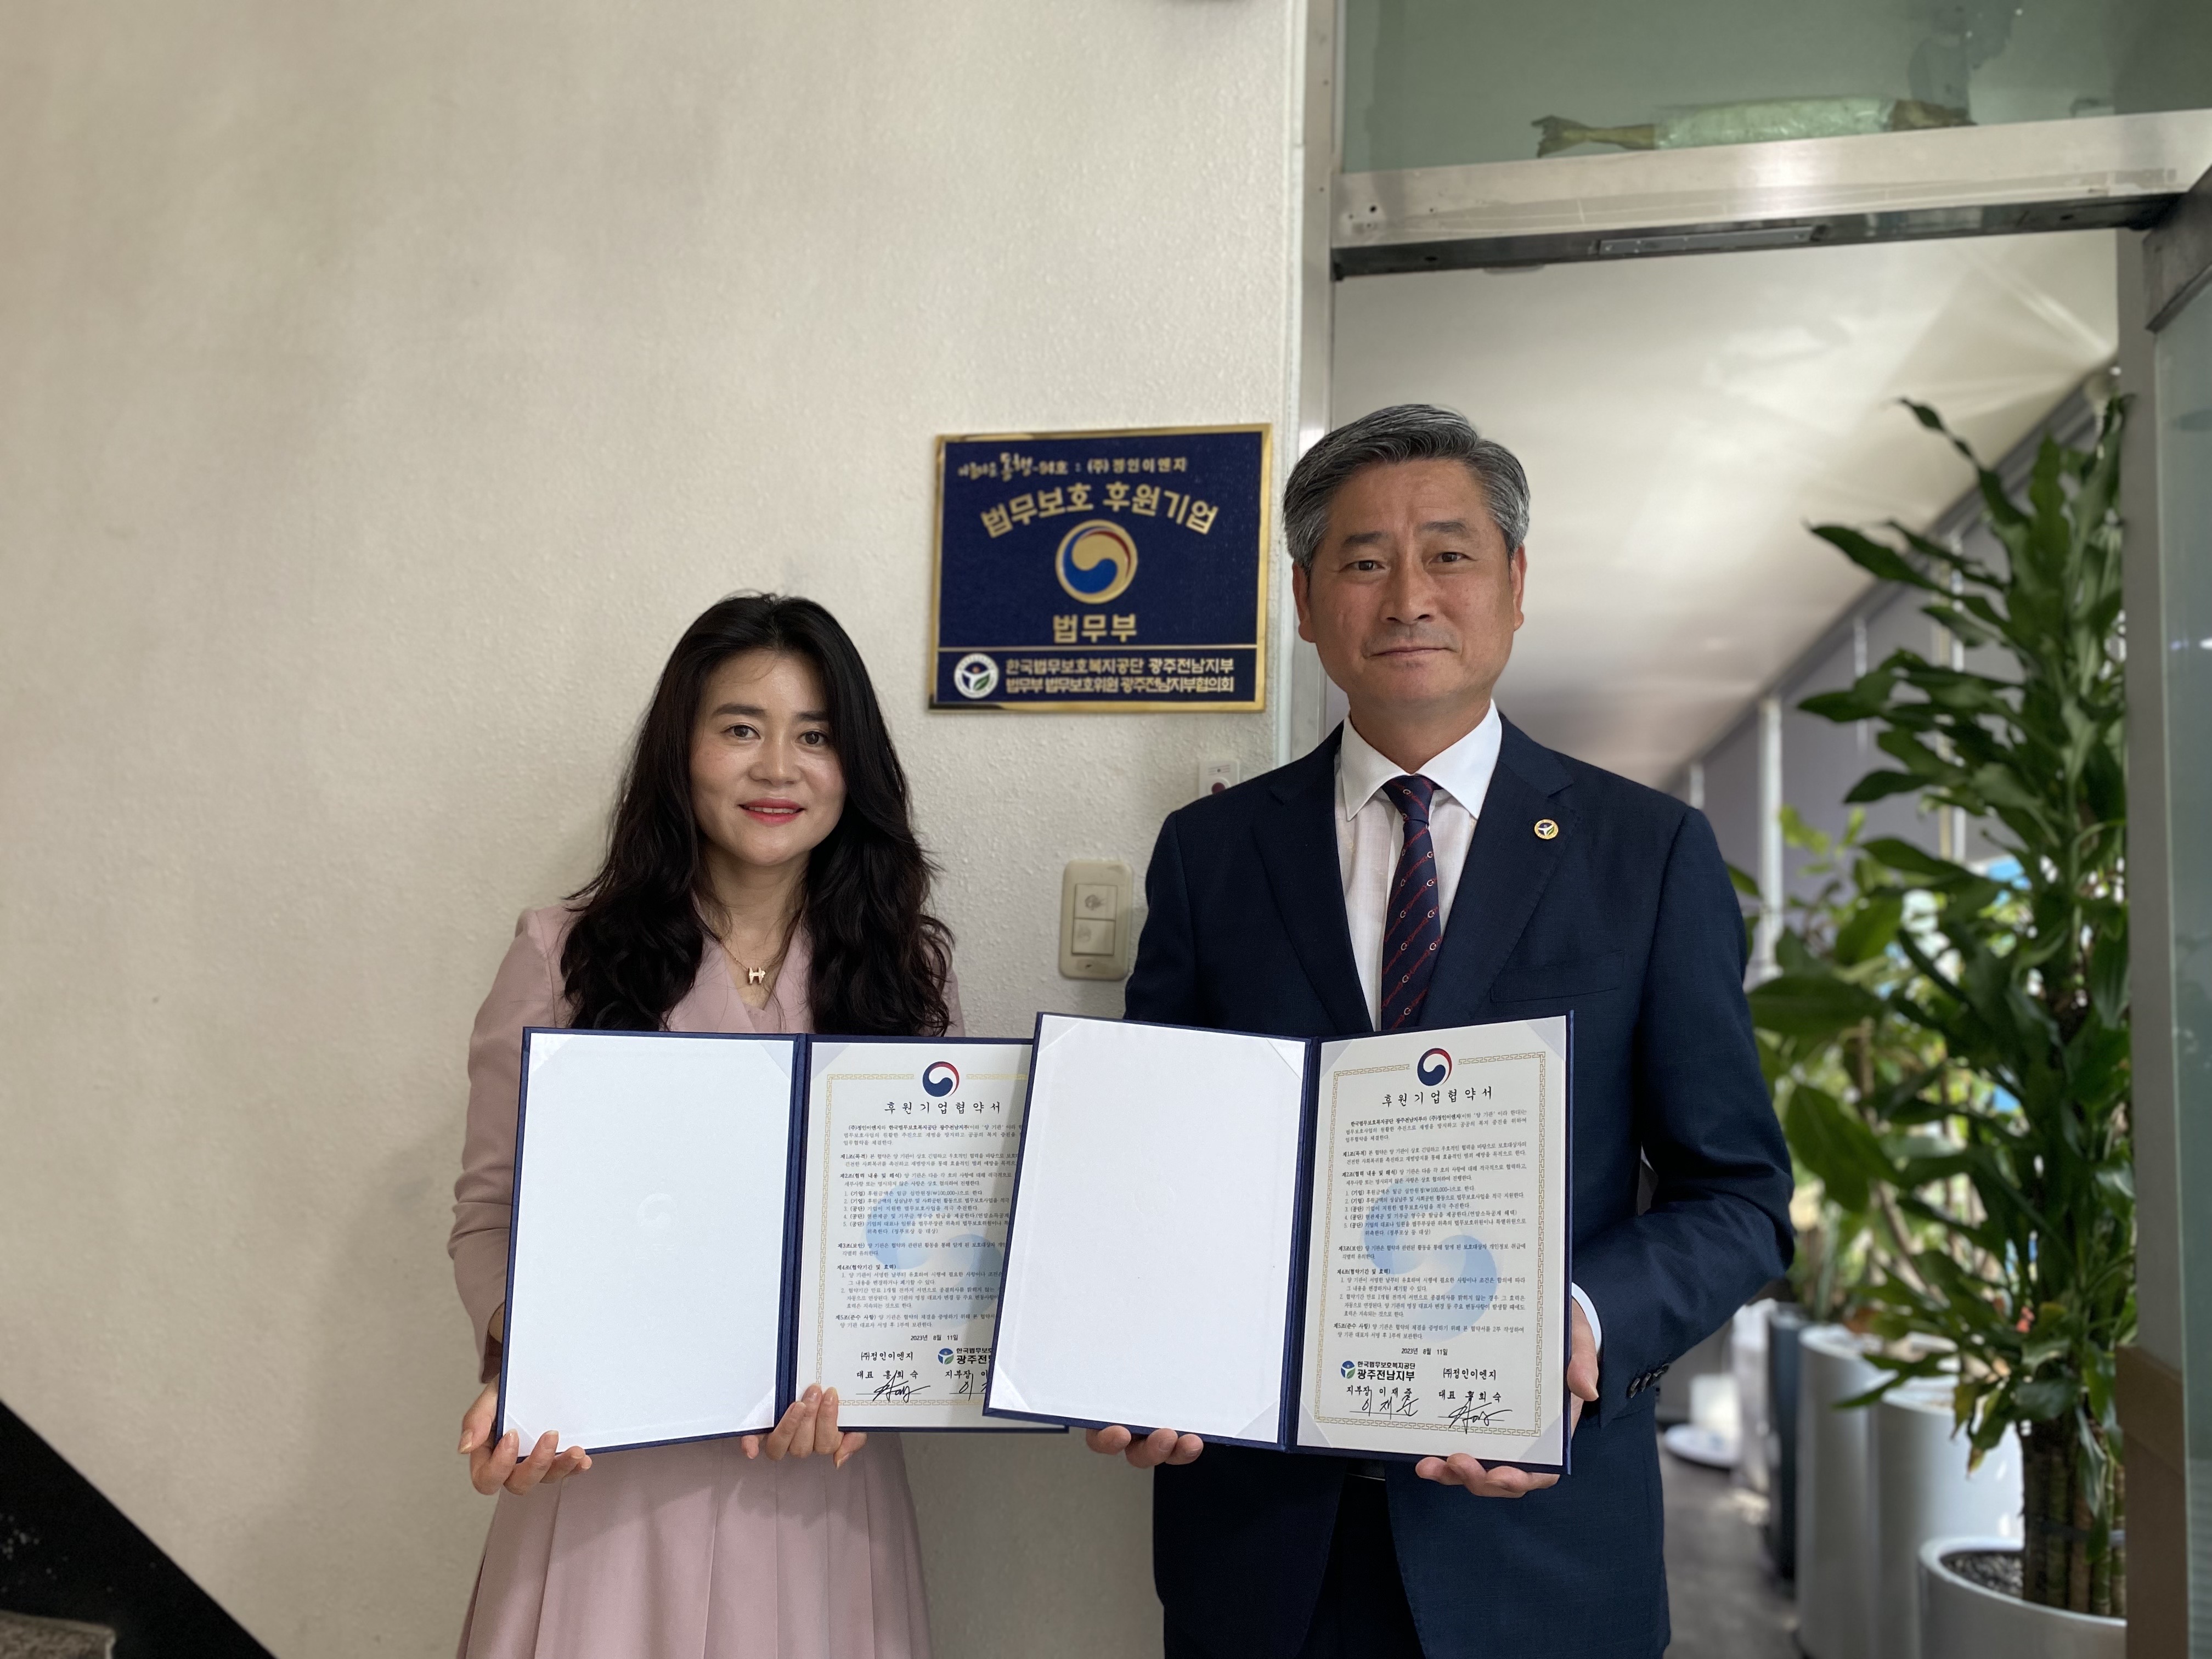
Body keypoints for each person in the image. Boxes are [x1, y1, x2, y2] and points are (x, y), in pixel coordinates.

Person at [1093, 405, 1795, 1659]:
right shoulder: (1212, 855)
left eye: (1449, 555)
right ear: (1307, 603)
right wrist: (1131, 1347)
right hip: (1264, 1550)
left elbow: (1739, 1197)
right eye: (1364, 560)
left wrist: (1582, 1321)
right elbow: (1154, 1169)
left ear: (1515, 586)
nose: (1409, 596)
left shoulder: (1645, 855)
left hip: (1540, 1554)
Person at [447, 594, 956, 1659]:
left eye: (815, 736)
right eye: (740, 728)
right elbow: (490, 1213)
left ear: (854, 767)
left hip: (822, 1487)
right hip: (609, 1484)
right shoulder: (562, 957)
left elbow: (926, 1239)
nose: (778, 768)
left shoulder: (905, 978)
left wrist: (885, 1381)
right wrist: (530, 1363)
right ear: (680, 753)